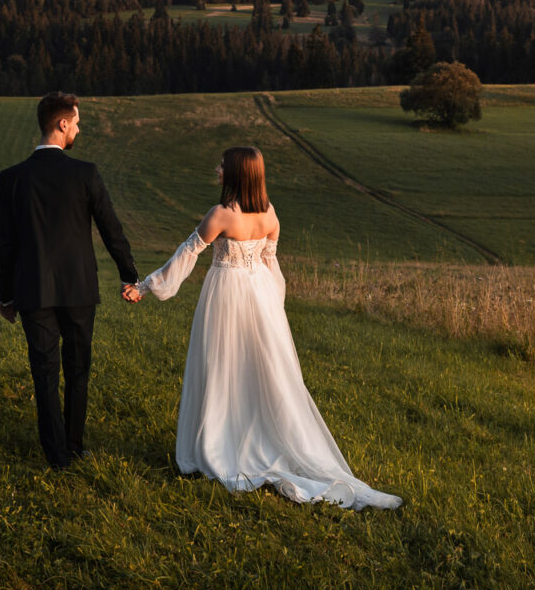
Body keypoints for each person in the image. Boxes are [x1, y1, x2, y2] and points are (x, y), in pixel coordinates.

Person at [126, 146, 401, 509]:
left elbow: (186, 256)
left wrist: (146, 287)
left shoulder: (221, 214)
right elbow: (271, 265)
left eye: (222, 165)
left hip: (227, 295)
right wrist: (274, 310)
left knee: (222, 366)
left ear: (237, 173)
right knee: (260, 371)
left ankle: (225, 442)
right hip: (261, 296)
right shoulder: (270, 213)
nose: (217, 169)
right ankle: (252, 437)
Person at [0, 91, 139, 468]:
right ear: (62, 124)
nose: (78, 129)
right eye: (76, 122)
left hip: (33, 290)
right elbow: (111, 228)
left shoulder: (12, 178)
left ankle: (56, 455)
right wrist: (129, 274)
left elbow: (4, 243)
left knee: (44, 372)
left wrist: (6, 296)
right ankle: (74, 446)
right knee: (77, 370)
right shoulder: (85, 174)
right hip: (79, 288)